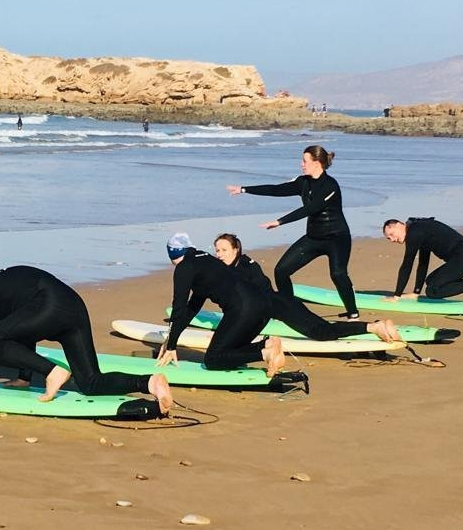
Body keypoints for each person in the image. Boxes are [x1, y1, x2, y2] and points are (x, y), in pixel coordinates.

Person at [0, 265, 174, 413]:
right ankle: (150, 383)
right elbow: (23, 332)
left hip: (49, 304)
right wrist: (24, 378)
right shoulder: (8, 285)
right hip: (73, 306)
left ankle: (52, 372)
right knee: (90, 382)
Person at [227, 145, 359, 318]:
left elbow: (310, 209)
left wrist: (280, 221)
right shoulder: (302, 182)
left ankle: (352, 312)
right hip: (314, 237)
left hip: (337, 238)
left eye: (305, 161)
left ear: (317, 163)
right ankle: (290, 310)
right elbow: (276, 189)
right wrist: (244, 189)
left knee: (338, 274)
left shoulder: (330, 186)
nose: (301, 164)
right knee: (281, 271)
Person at [213, 233, 400, 342]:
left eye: (224, 250)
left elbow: (253, 297)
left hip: (281, 306)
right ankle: (375, 325)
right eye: (217, 250)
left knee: (321, 332)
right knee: (322, 327)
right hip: (284, 301)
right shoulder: (245, 263)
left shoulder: (239, 270)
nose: (219, 255)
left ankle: (373, 327)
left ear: (236, 250)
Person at [157, 233, 286, 378]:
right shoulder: (206, 259)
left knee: (213, 359)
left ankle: (266, 353)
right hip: (265, 306)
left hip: (244, 309)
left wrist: (171, 347)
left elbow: (179, 307)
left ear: (172, 255)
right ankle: (268, 345)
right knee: (232, 350)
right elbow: (192, 308)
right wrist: (172, 339)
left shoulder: (184, 267)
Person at [382, 217, 463, 303]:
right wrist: (416, 292)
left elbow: (407, 265)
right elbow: (423, 263)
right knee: (431, 281)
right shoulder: (418, 228)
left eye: (391, 234)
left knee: (433, 291)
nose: (391, 239)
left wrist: (397, 296)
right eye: (388, 238)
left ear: (399, 225)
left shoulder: (414, 233)